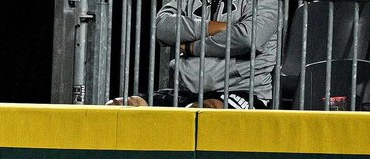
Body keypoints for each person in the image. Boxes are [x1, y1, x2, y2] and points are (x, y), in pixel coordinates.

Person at [110, 0, 279, 109]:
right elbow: (162, 27)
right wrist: (214, 27)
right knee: (118, 106)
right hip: (186, 90)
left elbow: (248, 38)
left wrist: (192, 48)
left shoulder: (266, 2)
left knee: (200, 112)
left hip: (242, 91)